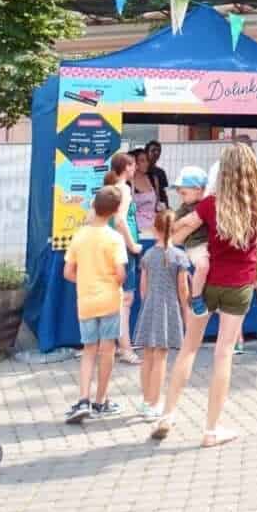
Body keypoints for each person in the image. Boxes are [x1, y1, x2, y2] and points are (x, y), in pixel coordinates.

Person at [151, 142, 257, 447]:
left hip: (207, 284)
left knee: (189, 349)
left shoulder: (209, 204)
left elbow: (177, 233)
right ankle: (211, 430)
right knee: (223, 355)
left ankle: (167, 414)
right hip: (240, 286)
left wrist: (167, 237)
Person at [208, 135, 257, 356]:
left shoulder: (218, 167)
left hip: (228, 233)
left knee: (234, 284)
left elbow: (209, 197)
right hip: (253, 234)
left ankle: (238, 339)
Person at [63, 186, 128, 423]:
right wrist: (112, 281)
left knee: (88, 351)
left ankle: (83, 400)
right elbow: (121, 274)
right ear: (115, 210)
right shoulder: (115, 238)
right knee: (107, 349)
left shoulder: (80, 235)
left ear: (94, 206)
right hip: (110, 299)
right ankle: (101, 401)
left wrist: (85, 279)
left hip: (86, 301)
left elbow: (68, 272)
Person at [134, 209, 189, 422]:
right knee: (161, 357)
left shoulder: (147, 255)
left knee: (147, 354)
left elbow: (143, 289)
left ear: (155, 229)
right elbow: (183, 289)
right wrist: (186, 311)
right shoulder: (179, 257)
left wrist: (148, 303)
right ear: (174, 230)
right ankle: (155, 403)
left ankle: (146, 400)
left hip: (150, 307)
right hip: (169, 308)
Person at [105, 152, 143, 365]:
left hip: (114, 247)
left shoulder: (111, 189)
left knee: (120, 298)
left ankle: (121, 344)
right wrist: (132, 245)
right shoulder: (124, 189)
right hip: (124, 249)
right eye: (133, 165)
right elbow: (120, 220)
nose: (135, 168)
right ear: (126, 167)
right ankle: (126, 348)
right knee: (125, 299)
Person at [172, 165, 213, 317]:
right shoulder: (185, 208)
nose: (181, 197)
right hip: (196, 245)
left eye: (184, 193)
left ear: (198, 189)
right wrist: (183, 222)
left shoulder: (209, 202)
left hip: (211, 244)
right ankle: (196, 297)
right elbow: (172, 226)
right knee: (202, 266)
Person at [130, 148, 160, 233]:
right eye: (142, 161)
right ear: (134, 163)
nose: (146, 163)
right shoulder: (128, 181)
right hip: (136, 225)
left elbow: (157, 203)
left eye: (147, 160)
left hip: (153, 223)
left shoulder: (153, 178)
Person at [145, 140, 170, 209]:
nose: (156, 153)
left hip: (158, 209)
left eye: (159, 150)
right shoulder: (141, 172)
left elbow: (163, 193)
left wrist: (167, 207)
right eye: (153, 150)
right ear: (146, 152)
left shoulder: (161, 172)